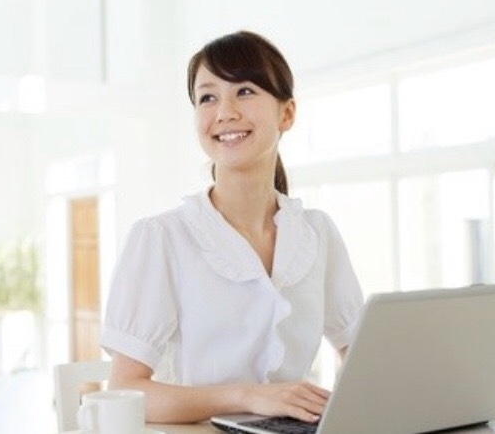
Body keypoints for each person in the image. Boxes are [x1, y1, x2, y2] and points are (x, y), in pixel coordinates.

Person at [100, 30, 364, 424]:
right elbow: (126, 391)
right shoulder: (160, 238)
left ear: (287, 114)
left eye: (244, 91)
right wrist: (248, 396)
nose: (224, 112)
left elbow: (361, 353)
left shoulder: (317, 233)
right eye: (207, 97)